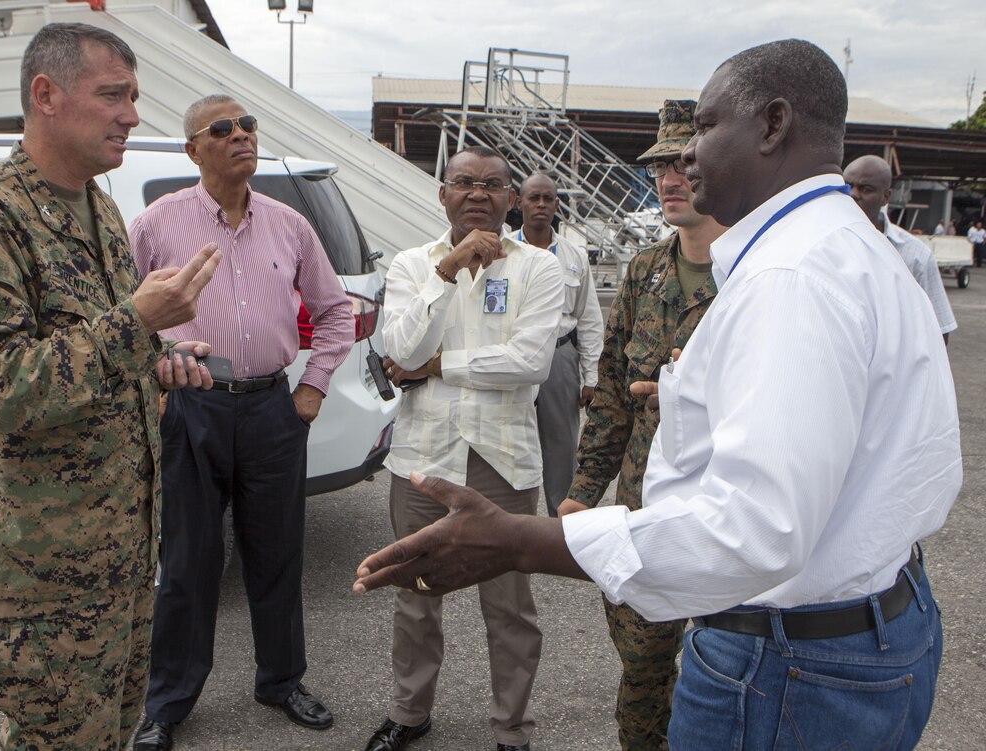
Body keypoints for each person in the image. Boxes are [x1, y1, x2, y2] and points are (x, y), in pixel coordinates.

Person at [354, 39, 961, 751]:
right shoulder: (852, 251)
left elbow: (753, 530)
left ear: (771, 125)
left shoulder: (792, 276)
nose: (686, 157)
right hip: (864, 620)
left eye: (703, 128)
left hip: (786, 662)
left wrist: (523, 538)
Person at [0, 23, 221, 750]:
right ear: (45, 95)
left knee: (109, 738)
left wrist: (155, 358)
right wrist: (135, 323)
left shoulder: (100, 209)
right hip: (45, 570)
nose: (132, 114)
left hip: (120, 551)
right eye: (113, 95)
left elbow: (98, 354)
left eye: (135, 97)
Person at [129, 94, 352, 751]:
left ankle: (281, 680)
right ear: (193, 149)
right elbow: (122, 315)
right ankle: (166, 702)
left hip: (269, 407)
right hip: (191, 407)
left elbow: (335, 311)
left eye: (248, 125)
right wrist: (156, 379)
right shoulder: (156, 224)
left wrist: (311, 387)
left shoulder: (288, 225)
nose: (239, 136)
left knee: (277, 553)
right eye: (221, 129)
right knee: (188, 560)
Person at [366, 145, 563, 751]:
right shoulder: (410, 265)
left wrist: (440, 365)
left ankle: (512, 729)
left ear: (511, 198)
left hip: (502, 459)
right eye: (464, 182)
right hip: (424, 459)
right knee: (415, 594)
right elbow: (400, 346)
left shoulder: (538, 268)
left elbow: (530, 363)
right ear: (442, 193)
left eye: (493, 184)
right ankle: (410, 712)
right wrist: (446, 272)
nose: (478, 193)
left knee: (508, 605)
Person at [556, 99, 725, 750]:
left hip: (723, 515)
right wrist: (582, 488)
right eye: (661, 167)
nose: (670, 179)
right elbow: (614, 402)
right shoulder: (645, 269)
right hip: (644, 508)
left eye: (686, 162)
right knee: (643, 663)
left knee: (723, 661)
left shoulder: (753, 277)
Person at [509, 173, 603, 518]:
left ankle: (560, 524)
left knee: (561, 445)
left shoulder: (575, 256)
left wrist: (591, 376)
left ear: (556, 205)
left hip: (560, 356)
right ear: (519, 203)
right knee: (508, 439)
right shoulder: (502, 251)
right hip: (513, 354)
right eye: (533, 198)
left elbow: (590, 318)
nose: (541, 205)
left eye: (548, 199)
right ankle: (511, 522)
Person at [844, 155, 957, 344]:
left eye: (866, 189)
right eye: (847, 186)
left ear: (886, 197)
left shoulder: (916, 256)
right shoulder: (822, 243)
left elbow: (940, 330)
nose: (853, 194)